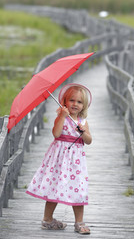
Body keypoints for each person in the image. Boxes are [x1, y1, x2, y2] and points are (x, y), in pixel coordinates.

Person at [26, 83, 92, 234]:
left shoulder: (82, 122)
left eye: (79, 102)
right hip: (59, 159)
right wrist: (62, 117)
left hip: (76, 162)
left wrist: (83, 132)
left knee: (78, 189)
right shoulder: (61, 118)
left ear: (84, 105)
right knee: (54, 186)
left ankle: (79, 222)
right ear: (64, 102)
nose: (75, 104)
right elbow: (56, 134)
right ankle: (47, 219)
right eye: (72, 100)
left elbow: (89, 141)